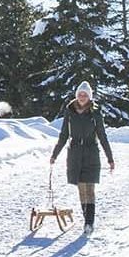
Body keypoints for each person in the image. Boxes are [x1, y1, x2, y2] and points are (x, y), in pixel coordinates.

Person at [50, 81, 115, 232]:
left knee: (89, 188)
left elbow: (102, 136)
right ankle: (87, 218)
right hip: (74, 154)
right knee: (81, 188)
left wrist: (110, 158)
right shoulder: (70, 111)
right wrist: (55, 154)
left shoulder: (95, 112)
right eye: (80, 94)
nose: (82, 97)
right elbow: (64, 134)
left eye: (85, 95)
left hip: (91, 153)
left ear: (89, 97)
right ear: (76, 95)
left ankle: (89, 222)